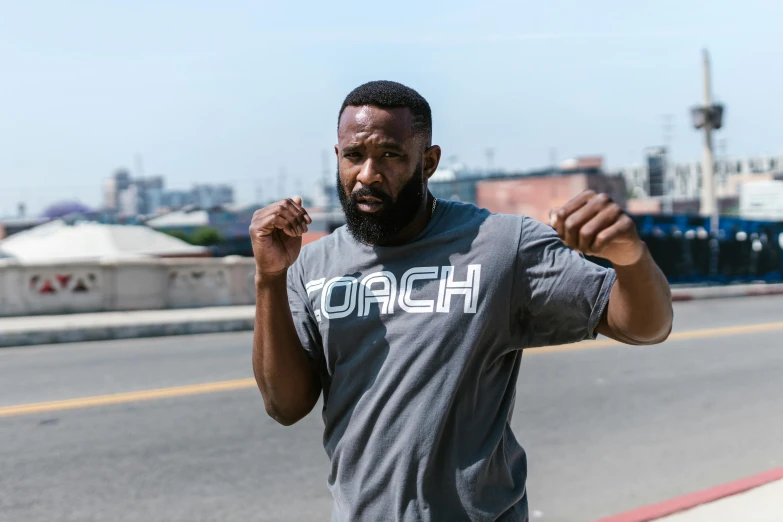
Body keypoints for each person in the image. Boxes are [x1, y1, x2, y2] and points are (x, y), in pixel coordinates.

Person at [250, 80, 673, 522]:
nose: (368, 174)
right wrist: (269, 278)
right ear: (338, 158)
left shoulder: (501, 246)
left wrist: (630, 258)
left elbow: (645, 326)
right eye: (354, 156)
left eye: (391, 155)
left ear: (428, 162)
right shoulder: (311, 265)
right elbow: (285, 406)